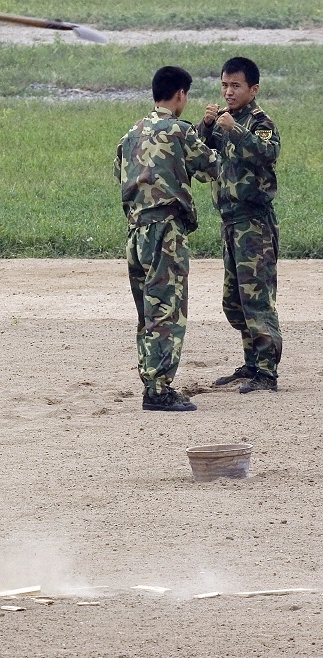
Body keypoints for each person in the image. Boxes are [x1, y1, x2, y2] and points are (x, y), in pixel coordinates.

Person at [114, 66, 219, 412]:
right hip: (166, 232)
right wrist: (212, 134)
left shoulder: (131, 134)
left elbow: (121, 173)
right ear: (180, 95)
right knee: (167, 311)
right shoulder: (179, 130)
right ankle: (159, 390)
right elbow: (209, 167)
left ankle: (151, 381)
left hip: (135, 232)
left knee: (147, 312)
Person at [197, 57, 282, 394]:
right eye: (224, 85)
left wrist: (237, 130)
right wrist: (206, 126)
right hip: (230, 222)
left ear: (253, 89)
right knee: (234, 300)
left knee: (257, 298)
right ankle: (250, 363)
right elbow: (205, 151)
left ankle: (266, 372)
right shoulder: (223, 121)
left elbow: (267, 153)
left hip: (254, 223)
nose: (228, 92)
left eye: (235, 86)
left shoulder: (260, 122)